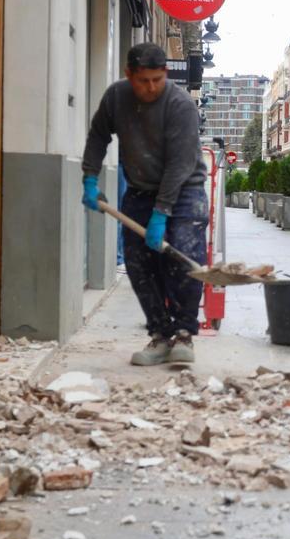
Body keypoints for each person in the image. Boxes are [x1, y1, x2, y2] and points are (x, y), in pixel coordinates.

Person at [81, 43, 208, 366]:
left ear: (166, 73)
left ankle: (184, 334)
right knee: (139, 266)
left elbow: (180, 165)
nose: (151, 87)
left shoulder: (179, 105)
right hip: (139, 191)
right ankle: (160, 335)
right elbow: (98, 136)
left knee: (183, 257)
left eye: (157, 79)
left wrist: (161, 213)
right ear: (129, 75)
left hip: (183, 191)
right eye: (143, 80)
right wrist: (90, 178)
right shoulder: (116, 98)